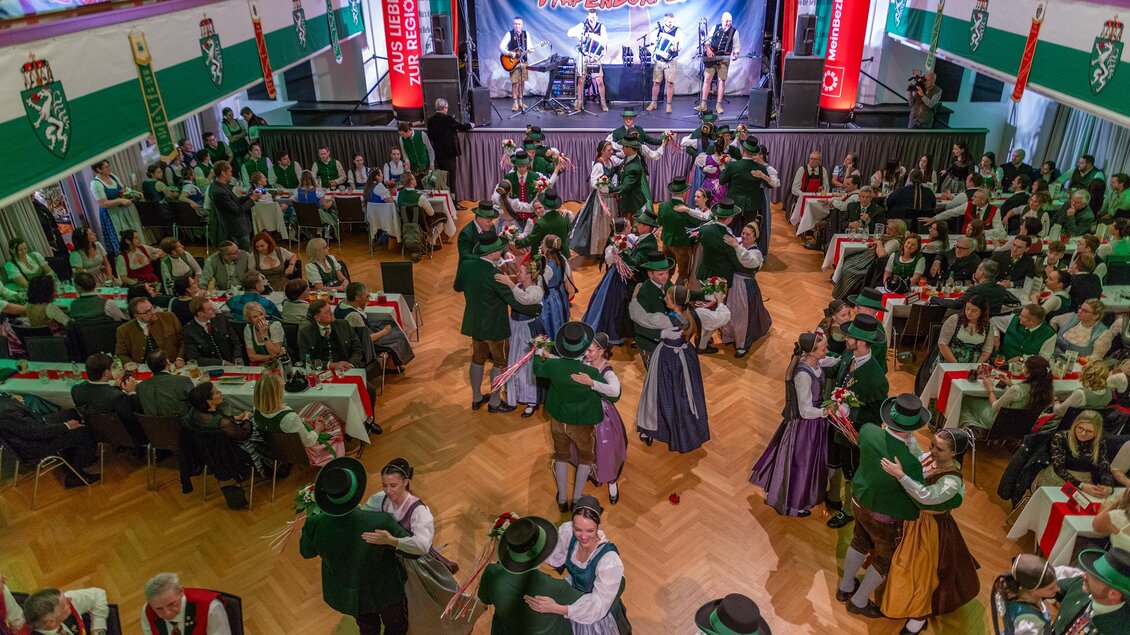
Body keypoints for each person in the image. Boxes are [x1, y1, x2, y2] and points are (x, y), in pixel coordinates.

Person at [360, 458, 479, 634]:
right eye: (384, 485)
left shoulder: (419, 511)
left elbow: (422, 546)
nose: (388, 490)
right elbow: (365, 516)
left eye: (393, 485)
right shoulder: (380, 499)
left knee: (429, 604)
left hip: (416, 564)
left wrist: (392, 541)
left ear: (406, 482)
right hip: (391, 562)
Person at [879, 428, 980, 634]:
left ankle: (918, 617)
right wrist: (907, 434)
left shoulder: (952, 481)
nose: (932, 450)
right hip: (914, 521)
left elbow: (926, 496)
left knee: (922, 573)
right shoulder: (930, 458)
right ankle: (902, 602)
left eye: (939, 449)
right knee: (905, 567)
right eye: (932, 444)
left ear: (953, 453)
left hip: (930, 529)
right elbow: (918, 454)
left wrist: (901, 476)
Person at [836, 393, 928, 619]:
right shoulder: (909, 462)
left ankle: (845, 587)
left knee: (858, 541)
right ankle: (858, 602)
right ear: (912, 429)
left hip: (858, 500)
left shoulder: (868, 430)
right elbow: (920, 495)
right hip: (883, 517)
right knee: (883, 560)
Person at [300, 457, 410, 635]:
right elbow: (410, 549)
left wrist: (308, 526)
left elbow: (306, 552)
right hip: (386, 591)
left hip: (350, 593)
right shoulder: (381, 520)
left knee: (367, 627)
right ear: (357, 489)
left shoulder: (314, 523)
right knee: (396, 626)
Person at [634, 285, 724, 452]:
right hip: (687, 357)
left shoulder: (666, 320)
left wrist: (634, 299)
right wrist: (719, 302)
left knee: (659, 392)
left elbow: (640, 318)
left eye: (668, 297)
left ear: (675, 302)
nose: (665, 299)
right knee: (686, 393)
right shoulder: (696, 314)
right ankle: (688, 430)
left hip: (667, 358)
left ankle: (655, 429)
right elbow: (722, 317)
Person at [750, 332, 831, 517]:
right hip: (806, 426)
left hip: (815, 424)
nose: (827, 351)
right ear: (811, 352)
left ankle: (804, 496)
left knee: (809, 463)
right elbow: (804, 410)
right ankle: (794, 504)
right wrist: (825, 412)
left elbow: (829, 362)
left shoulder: (815, 362)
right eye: (824, 349)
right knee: (801, 463)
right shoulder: (803, 375)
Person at [526, 497, 631, 633]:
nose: (583, 536)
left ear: (598, 526)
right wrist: (531, 552)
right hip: (574, 595)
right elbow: (556, 557)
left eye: (590, 531)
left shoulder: (609, 561)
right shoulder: (568, 532)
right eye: (578, 529)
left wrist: (557, 608)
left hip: (595, 611)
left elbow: (597, 607)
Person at [532, 321, 605, 509]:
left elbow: (538, 367)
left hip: (558, 419)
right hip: (582, 422)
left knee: (561, 455)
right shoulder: (590, 372)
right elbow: (613, 395)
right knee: (586, 458)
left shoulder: (553, 366)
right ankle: (578, 498)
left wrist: (540, 347)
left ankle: (563, 499)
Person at [478, 515, 582, 635]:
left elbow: (484, 600)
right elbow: (592, 607)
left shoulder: (492, 573)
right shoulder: (558, 588)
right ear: (544, 550)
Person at [583, 209, 657, 345]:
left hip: (635, 279)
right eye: (633, 224)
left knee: (629, 306)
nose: (636, 226)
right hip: (624, 278)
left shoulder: (647, 243)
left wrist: (621, 251)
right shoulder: (639, 239)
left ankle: (632, 333)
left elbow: (634, 262)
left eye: (639, 224)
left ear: (647, 227)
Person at [0, 392, 98, 487]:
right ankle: (74, 477)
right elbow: (37, 433)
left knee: (72, 413)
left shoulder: (5, 405)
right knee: (85, 432)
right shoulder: (6, 411)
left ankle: (74, 459)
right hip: (34, 445)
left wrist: (14, 400)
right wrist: (66, 426)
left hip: (35, 428)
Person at [495, 261, 545, 417]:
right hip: (515, 327)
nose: (518, 274)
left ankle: (531, 401)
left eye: (521, 272)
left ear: (530, 275)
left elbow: (524, 299)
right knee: (513, 362)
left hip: (527, 330)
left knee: (526, 364)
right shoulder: (521, 286)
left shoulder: (536, 290)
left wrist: (510, 284)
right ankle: (513, 396)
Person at [252, 373, 335, 465]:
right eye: (282, 387)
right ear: (278, 393)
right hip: (296, 452)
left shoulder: (256, 409)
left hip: (274, 447)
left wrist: (305, 420)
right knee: (331, 422)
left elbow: (287, 423)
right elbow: (309, 442)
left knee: (315, 407)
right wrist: (317, 429)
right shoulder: (288, 417)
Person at [335, 282, 415, 369]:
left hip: (357, 333)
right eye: (366, 295)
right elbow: (367, 339)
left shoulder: (343, 303)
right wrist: (384, 332)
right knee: (399, 335)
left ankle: (392, 360)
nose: (368, 297)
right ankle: (390, 365)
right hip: (363, 344)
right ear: (357, 297)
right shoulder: (353, 316)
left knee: (391, 323)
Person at [719, 221, 770, 357]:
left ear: (755, 237)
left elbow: (750, 261)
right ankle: (730, 335)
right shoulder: (740, 245)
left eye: (748, 234)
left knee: (743, 315)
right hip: (733, 284)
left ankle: (742, 344)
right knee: (730, 309)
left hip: (745, 287)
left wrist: (736, 246)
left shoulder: (756, 253)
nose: (744, 236)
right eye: (743, 233)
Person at [1031, 410, 1115, 493]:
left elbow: (1104, 468)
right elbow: (1059, 468)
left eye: (1089, 431)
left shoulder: (1099, 442)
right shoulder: (1061, 437)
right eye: (1080, 428)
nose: (1083, 433)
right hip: (1059, 479)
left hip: (1085, 482)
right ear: (1075, 425)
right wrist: (1081, 485)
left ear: (1097, 433)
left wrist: (1108, 487)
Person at [71, 352, 144, 445]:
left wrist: (116, 388)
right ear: (106, 373)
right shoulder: (117, 397)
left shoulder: (76, 390)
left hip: (96, 433)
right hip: (123, 435)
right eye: (112, 368)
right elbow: (133, 417)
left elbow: (99, 399)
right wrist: (132, 392)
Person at [1052, 546, 1130, 631]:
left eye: (1094, 576)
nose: (1084, 575)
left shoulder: (1120, 630)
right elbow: (1049, 587)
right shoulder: (1082, 584)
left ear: (1113, 594)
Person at [570, 141, 621, 258]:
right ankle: (598, 250)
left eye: (612, 150)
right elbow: (593, 182)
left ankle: (609, 247)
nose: (611, 152)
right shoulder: (599, 165)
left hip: (611, 199)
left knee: (610, 223)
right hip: (600, 199)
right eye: (609, 150)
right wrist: (606, 189)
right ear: (602, 151)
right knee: (598, 224)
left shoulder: (612, 160)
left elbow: (622, 161)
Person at [140, 572, 232, 635]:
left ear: (181, 591)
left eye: (171, 604)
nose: (167, 613)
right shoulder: (148, 611)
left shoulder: (210, 608)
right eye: (159, 609)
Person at [990, 554, 1059, 634]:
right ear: (1033, 589)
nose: (1057, 589)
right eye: (1050, 588)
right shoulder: (1028, 622)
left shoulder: (1014, 590)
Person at [720, 140, 768, 241]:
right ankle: (747, 251)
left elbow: (722, 181)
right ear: (755, 153)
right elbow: (769, 185)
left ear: (742, 151)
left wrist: (723, 167)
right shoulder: (761, 168)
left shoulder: (733, 166)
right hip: (752, 204)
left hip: (733, 203)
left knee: (731, 230)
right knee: (749, 231)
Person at [426, 98, 473, 199]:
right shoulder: (447, 119)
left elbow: (430, 136)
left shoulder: (430, 120)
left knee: (441, 179)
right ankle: (453, 203)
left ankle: (444, 200)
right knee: (451, 180)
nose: (447, 110)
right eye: (447, 108)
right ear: (444, 108)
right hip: (449, 154)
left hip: (438, 154)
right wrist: (471, 124)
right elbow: (461, 126)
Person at [115, 297, 185, 365]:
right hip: (143, 368)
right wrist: (132, 365)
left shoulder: (169, 317)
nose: (153, 312)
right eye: (147, 312)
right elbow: (121, 354)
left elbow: (183, 340)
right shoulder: (124, 330)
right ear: (136, 315)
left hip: (172, 364)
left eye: (152, 308)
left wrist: (180, 358)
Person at [930, 260, 1018, 314]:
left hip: (975, 322)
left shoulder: (976, 290)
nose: (976, 270)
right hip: (992, 323)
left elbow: (955, 304)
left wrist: (933, 299)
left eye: (977, 268)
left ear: (981, 273)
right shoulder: (1001, 289)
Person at [657, 176, 700, 285]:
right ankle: (677, 297)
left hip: (666, 243)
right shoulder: (687, 209)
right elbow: (699, 224)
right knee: (683, 273)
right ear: (684, 192)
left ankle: (664, 291)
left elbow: (660, 223)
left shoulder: (662, 206)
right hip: (682, 246)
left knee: (667, 270)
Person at [298, 299, 363, 371]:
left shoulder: (344, 325)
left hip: (347, 369)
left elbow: (358, 349)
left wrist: (350, 365)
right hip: (321, 371)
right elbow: (305, 360)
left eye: (330, 309)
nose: (331, 313)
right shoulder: (305, 333)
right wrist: (330, 365)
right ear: (317, 318)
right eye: (327, 312)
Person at [695, 12, 740, 115]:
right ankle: (703, 104)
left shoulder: (734, 32)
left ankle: (718, 105)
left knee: (721, 81)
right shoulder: (715, 28)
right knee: (707, 79)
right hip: (711, 58)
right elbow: (707, 41)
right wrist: (708, 50)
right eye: (726, 21)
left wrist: (735, 54)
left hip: (724, 59)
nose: (728, 23)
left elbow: (737, 47)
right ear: (722, 20)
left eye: (730, 21)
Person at [209, 160, 259, 251]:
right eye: (230, 171)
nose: (231, 174)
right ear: (223, 173)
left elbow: (235, 201)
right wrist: (252, 199)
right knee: (244, 255)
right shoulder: (219, 191)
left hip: (238, 227)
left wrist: (249, 196)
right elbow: (237, 210)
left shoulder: (220, 186)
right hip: (236, 228)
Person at [88, 159, 135, 255]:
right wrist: (120, 200)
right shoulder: (96, 184)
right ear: (98, 169)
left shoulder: (113, 176)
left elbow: (123, 189)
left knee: (130, 234)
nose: (109, 168)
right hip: (111, 214)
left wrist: (132, 193)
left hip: (122, 210)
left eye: (109, 165)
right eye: (106, 167)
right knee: (119, 236)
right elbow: (103, 203)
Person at [20, 587, 110, 635]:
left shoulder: (63, 600)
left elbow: (98, 594)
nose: (70, 600)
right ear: (51, 622)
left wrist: (98, 630)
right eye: (64, 605)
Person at [569, 9, 609, 111]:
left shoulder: (601, 27)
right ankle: (579, 102)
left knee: (599, 80)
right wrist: (580, 36)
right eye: (590, 17)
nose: (592, 19)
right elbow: (569, 33)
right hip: (584, 56)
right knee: (581, 79)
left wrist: (592, 35)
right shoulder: (582, 25)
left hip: (595, 57)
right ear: (587, 16)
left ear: (597, 17)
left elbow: (605, 40)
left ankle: (603, 103)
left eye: (594, 17)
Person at [183, 297, 241, 365]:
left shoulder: (221, 319)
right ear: (200, 314)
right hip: (210, 368)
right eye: (210, 309)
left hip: (232, 362)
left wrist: (236, 358)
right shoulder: (189, 331)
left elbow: (236, 342)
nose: (214, 310)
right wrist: (222, 363)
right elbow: (195, 358)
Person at [136, 350, 193, 417]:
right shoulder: (182, 381)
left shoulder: (140, 387)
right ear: (168, 362)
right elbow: (195, 402)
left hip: (152, 425)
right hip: (181, 423)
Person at [607, 136, 651, 223]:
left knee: (628, 226)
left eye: (623, 146)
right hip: (627, 198)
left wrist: (610, 190)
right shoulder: (629, 157)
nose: (622, 148)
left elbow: (626, 186)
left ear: (630, 148)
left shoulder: (634, 167)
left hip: (631, 202)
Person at [646, 12, 680, 113]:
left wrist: (675, 48)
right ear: (664, 21)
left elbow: (680, 45)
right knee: (656, 82)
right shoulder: (658, 30)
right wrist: (654, 46)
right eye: (668, 22)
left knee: (670, 83)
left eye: (671, 22)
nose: (670, 23)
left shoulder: (677, 31)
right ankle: (653, 102)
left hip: (670, 60)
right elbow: (652, 42)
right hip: (659, 60)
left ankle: (668, 105)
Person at [499, 16, 534, 112]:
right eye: (515, 24)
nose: (517, 26)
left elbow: (530, 46)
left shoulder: (526, 34)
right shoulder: (509, 34)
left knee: (522, 82)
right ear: (513, 24)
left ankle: (521, 101)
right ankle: (515, 102)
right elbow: (501, 47)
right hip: (513, 62)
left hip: (524, 61)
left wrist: (531, 50)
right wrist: (509, 53)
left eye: (519, 24)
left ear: (522, 25)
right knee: (515, 83)